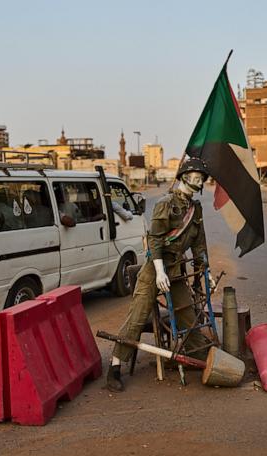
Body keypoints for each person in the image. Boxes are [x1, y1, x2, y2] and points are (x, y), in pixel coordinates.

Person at [106, 157, 212, 392]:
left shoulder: (195, 209)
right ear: (184, 178)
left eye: (201, 178)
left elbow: (199, 244)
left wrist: (206, 271)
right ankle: (114, 367)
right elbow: (154, 239)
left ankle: (199, 355)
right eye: (195, 177)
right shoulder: (165, 204)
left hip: (175, 271)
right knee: (137, 316)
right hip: (154, 269)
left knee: (187, 314)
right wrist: (159, 272)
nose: (198, 181)